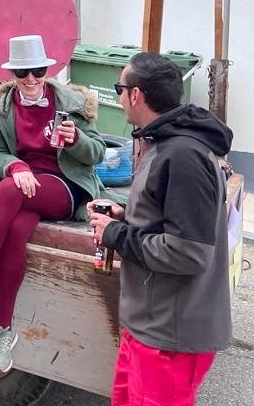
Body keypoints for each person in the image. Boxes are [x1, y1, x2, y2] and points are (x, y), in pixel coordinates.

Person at [0, 34, 115, 374]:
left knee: (6, 191)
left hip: (66, 186)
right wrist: (15, 165)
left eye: (37, 71)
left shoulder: (72, 103)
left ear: (47, 70)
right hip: (26, 186)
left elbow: (98, 153)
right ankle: (2, 332)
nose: (31, 80)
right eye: (23, 73)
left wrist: (76, 140)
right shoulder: (2, 107)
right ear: (12, 75)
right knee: (16, 231)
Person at [88, 53, 233, 406]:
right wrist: (127, 215)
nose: (119, 96)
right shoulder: (164, 142)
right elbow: (168, 216)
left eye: (119, 88)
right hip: (150, 325)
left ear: (136, 95)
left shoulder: (182, 155)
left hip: (170, 334)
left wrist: (116, 235)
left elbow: (188, 252)